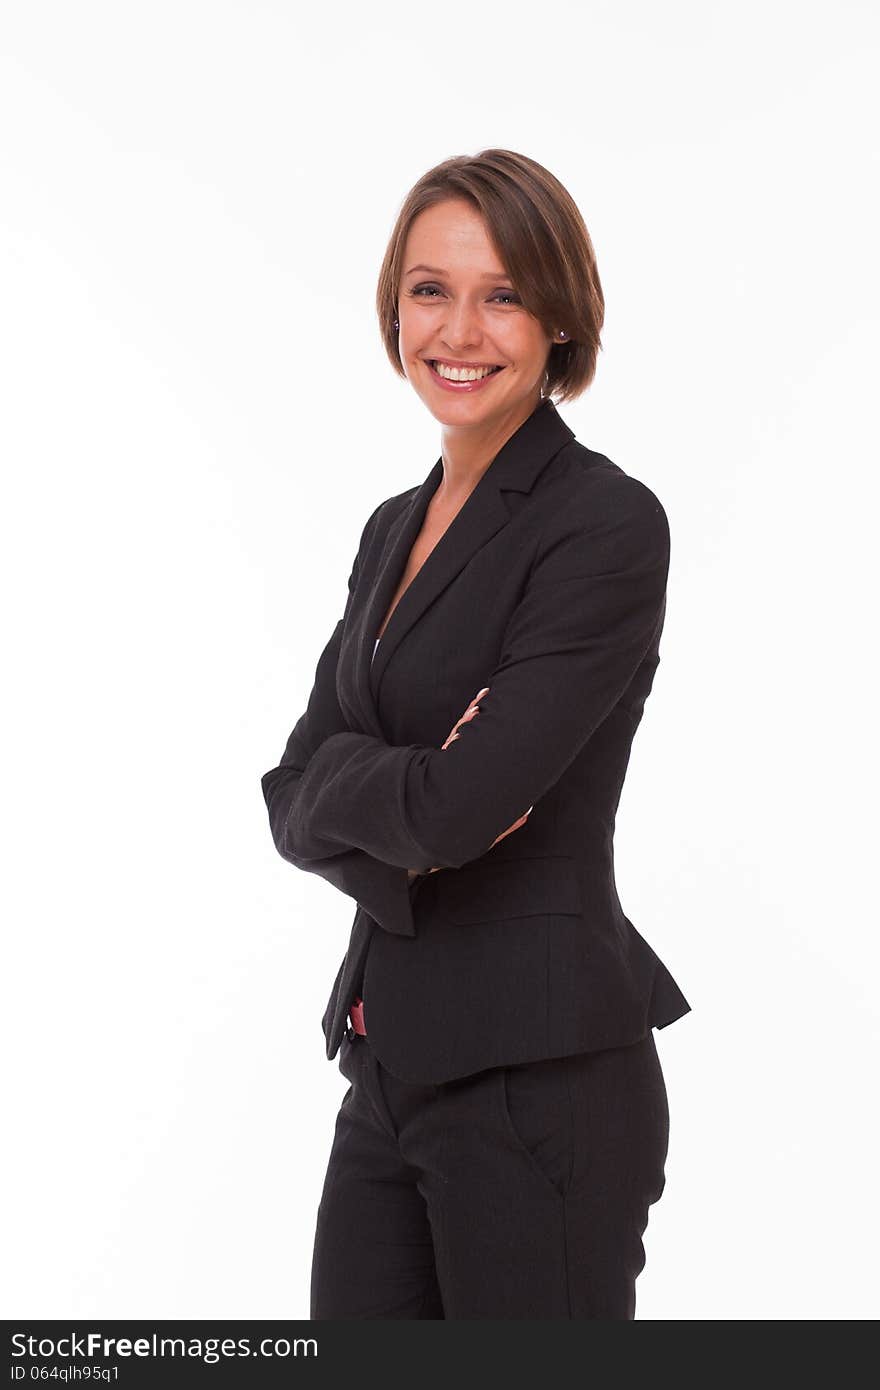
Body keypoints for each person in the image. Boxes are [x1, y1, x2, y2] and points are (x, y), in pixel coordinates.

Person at [260, 148, 691, 1320]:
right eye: (428, 288)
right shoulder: (391, 527)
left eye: (503, 293)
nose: (459, 328)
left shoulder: (601, 525)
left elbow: (461, 808)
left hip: (536, 1082)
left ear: (560, 316)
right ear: (394, 306)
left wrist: (389, 794)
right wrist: (402, 791)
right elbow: (290, 787)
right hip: (385, 1068)